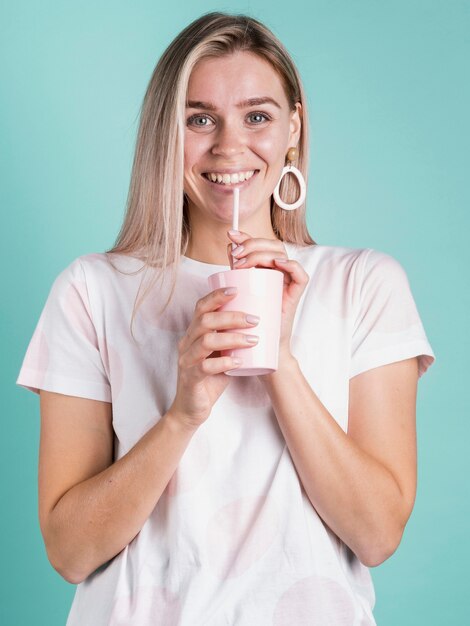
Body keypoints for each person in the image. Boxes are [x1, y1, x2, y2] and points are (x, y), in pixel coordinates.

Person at [16, 11, 435, 626]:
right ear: (167, 133)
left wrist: (280, 361)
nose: (229, 146)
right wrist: (184, 412)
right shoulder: (92, 291)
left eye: (258, 117)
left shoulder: (365, 285)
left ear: (294, 128)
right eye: (200, 118)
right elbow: (70, 551)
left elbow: (377, 535)